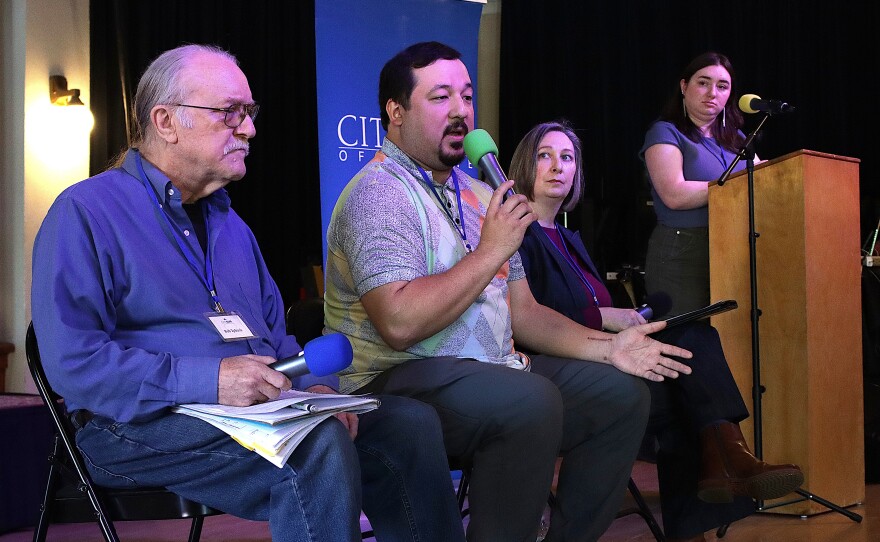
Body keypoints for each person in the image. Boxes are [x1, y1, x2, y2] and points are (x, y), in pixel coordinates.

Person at [30, 44, 466, 542]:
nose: (249, 129)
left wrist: (316, 392)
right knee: (312, 445)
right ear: (166, 121)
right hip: (128, 425)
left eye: (249, 112)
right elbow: (74, 364)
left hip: (250, 415)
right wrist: (208, 380)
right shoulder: (85, 213)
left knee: (407, 425)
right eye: (229, 113)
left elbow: (274, 342)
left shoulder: (232, 226)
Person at [324, 41, 696, 542]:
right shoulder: (377, 193)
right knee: (528, 399)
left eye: (466, 96)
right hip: (393, 378)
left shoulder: (481, 195)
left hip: (492, 372)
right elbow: (399, 323)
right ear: (395, 112)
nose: (461, 112)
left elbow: (525, 314)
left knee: (621, 394)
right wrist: (491, 250)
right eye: (439, 98)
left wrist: (611, 347)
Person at [510, 120, 804, 542]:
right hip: (559, 366)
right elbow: (529, 315)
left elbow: (589, 306)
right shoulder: (517, 233)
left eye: (568, 157)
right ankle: (727, 462)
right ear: (524, 164)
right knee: (685, 378)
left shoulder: (569, 239)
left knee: (695, 341)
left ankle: (723, 459)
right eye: (545, 155)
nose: (558, 166)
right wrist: (607, 317)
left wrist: (624, 317)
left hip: (602, 351)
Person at [640, 52, 754, 317]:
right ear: (684, 86)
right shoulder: (665, 132)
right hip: (682, 253)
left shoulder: (736, 138)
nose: (712, 93)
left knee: (728, 343)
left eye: (722, 86)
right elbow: (674, 194)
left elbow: (762, 180)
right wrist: (737, 185)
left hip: (734, 249)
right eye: (703, 82)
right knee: (687, 342)